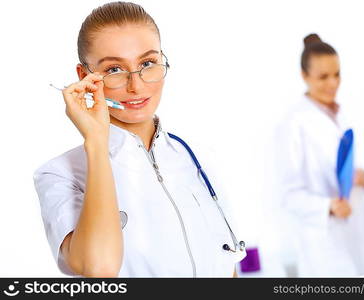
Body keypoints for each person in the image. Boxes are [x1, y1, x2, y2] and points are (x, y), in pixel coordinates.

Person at [33, 1, 245, 278]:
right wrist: (96, 142)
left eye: (147, 63)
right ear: (85, 77)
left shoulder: (198, 158)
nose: (136, 85)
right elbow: (100, 269)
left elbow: (226, 264)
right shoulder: (60, 174)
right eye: (113, 70)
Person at [274, 34, 364, 277]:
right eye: (323, 77)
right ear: (304, 76)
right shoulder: (294, 123)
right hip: (324, 246)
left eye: (337, 74)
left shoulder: (343, 114)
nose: (333, 83)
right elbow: (289, 195)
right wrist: (327, 207)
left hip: (358, 235)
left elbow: (347, 166)